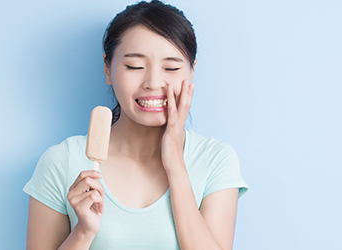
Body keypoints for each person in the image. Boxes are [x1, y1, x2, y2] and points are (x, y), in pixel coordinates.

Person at [23, 1, 248, 249]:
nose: (153, 83)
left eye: (171, 67)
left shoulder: (216, 160)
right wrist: (83, 232)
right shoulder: (61, 162)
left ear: (192, 71)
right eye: (135, 66)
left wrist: (175, 166)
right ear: (107, 69)